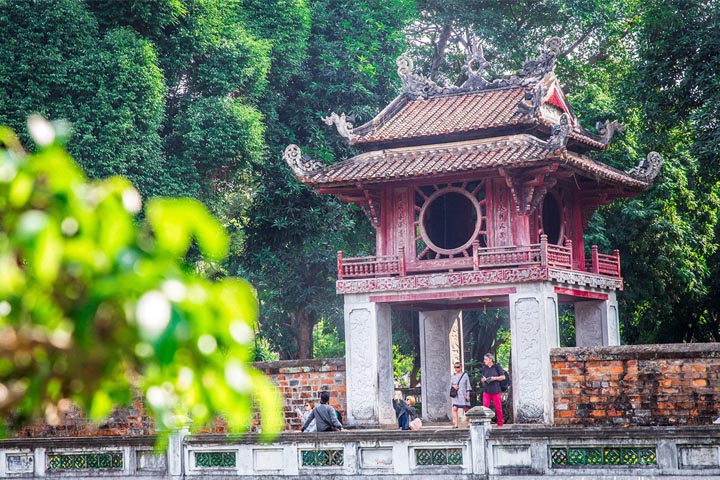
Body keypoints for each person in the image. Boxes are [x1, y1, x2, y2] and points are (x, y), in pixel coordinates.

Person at [480, 353, 506, 427]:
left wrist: (494, 378)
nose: (484, 361)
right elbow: (483, 377)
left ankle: (500, 423)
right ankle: (486, 423)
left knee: (498, 407)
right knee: (485, 407)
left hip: (496, 390)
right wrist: (483, 380)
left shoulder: (497, 367)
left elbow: (503, 377)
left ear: (490, 360)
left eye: (486, 359)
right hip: (487, 390)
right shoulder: (484, 368)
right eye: (484, 359)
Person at [450, 361, 472, 428]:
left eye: (458, 367)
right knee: (454, 408)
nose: (456, 368)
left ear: (461, 367)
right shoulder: (453, 376)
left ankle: (468, 422)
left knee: (466, 409)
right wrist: (454, 386)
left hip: (463, 394)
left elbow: (468, 386)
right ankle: (456, 424)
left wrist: (468, 394)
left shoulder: (465, 375)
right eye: (455, 367)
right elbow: (450, 385)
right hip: (456, 395)